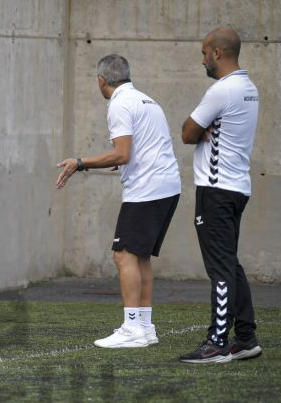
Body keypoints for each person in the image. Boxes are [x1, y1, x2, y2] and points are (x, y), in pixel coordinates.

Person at [56, 53, 181, 349]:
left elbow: (122, 153)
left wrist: (79, 162)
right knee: (140, 257)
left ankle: (132, 328)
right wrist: (122, 162)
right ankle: (146, 327)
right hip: (167, 185)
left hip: (147, 189)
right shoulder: (146, 100)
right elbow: (142, 148)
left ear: (102, 81)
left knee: (123, 254)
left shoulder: (119, 104)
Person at [179, 27, 261, 364]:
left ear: (217, 53)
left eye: (203, 53)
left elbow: (186, 133)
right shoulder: (249, 88)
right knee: (229, 263)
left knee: (220, 268)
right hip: (236, 188)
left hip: (216, 190)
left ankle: (218, 342)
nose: (202, 60)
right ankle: (245, 338)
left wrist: (200, 131)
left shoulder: (222, 91)